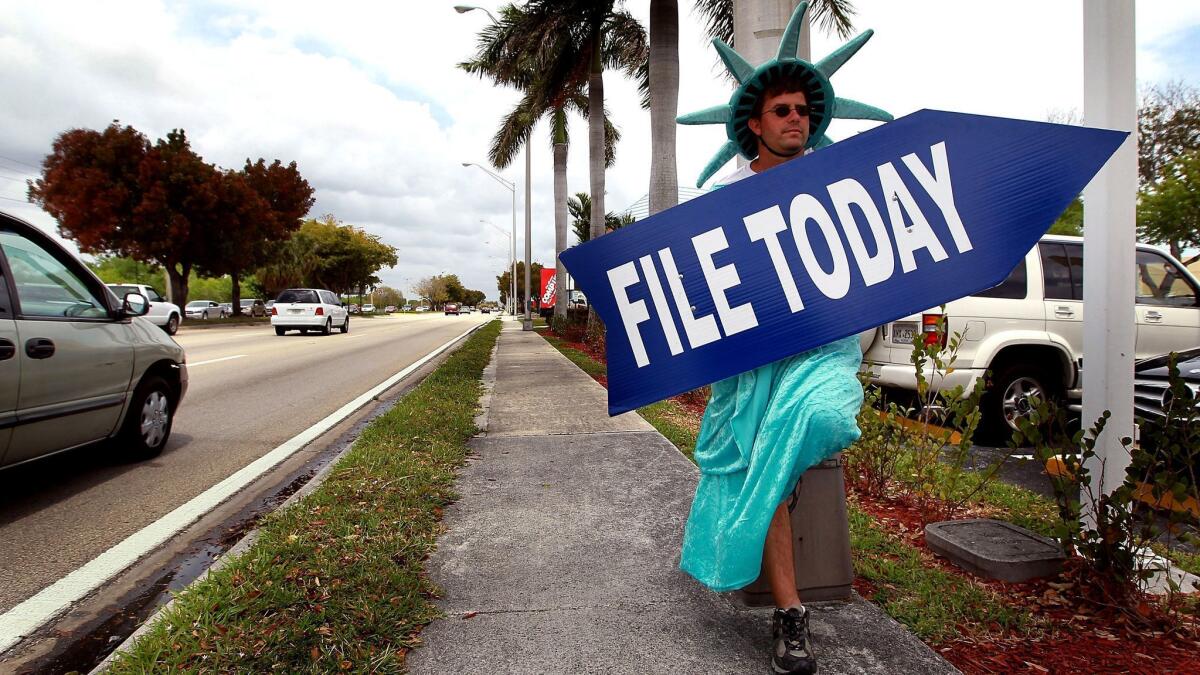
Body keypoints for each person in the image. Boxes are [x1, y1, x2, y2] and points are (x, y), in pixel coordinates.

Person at [674, 4, 891, 674]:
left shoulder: (843, 181)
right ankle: (790, 613)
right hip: (755, 363)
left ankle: (783, 475)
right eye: (782, 110)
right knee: (763, 447)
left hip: (826, 352)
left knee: (820, 415)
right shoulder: (726, 200)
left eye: (802, 109)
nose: (796, 117)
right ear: (755, 124)